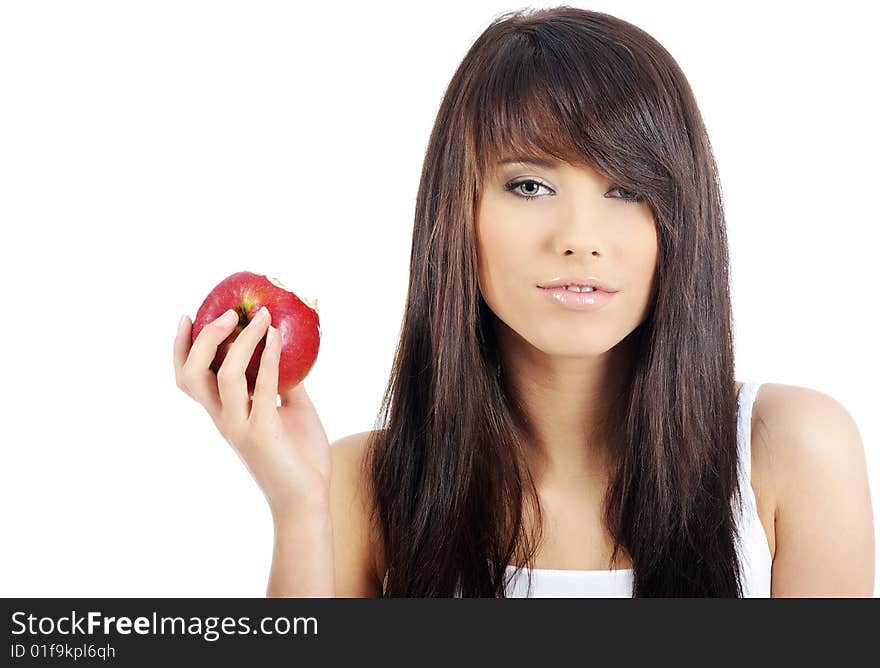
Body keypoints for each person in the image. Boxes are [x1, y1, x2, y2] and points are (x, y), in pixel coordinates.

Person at [172, 6, 874, 597]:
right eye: (530, 186)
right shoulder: (362, 484)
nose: (580, 239)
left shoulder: (790, 450)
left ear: (681, 219)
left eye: (627, 190)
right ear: (458, 211)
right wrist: (299, 507)